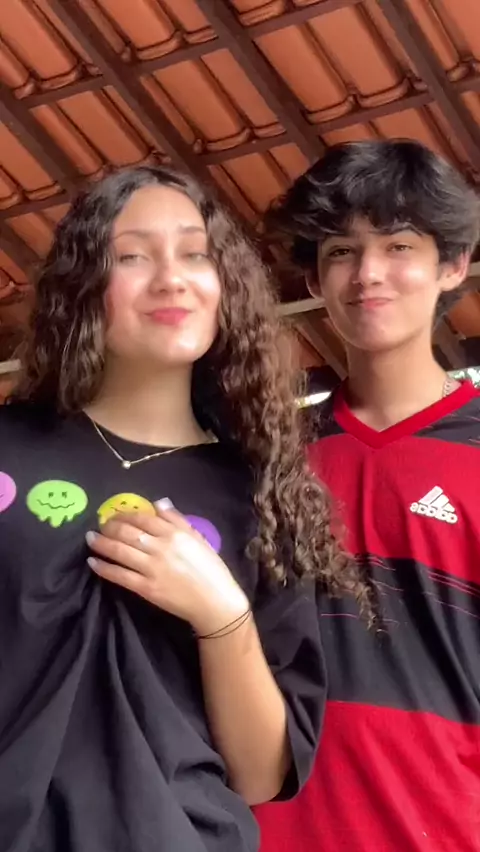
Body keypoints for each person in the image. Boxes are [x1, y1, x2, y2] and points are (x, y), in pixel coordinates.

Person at [0, 165, 369, 852]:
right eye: (132, 256)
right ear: (83, 284)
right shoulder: (9, 449)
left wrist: (221, 614)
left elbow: (261, 774)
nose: (172, 278)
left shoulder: (264, 497)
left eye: (195, 254)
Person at [255, 140, 480, 850]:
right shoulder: (268, 459)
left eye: (399, 245)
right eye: (341, 252)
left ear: (453, 265)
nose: (368, 274)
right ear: (315, 279)